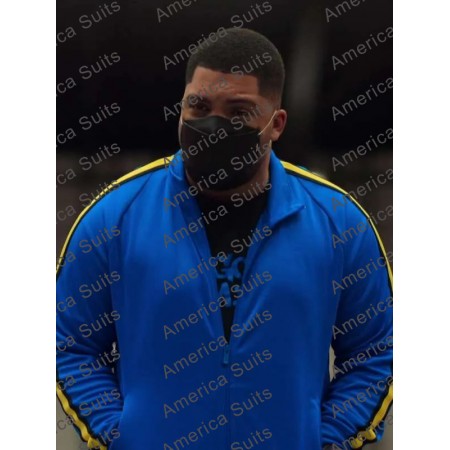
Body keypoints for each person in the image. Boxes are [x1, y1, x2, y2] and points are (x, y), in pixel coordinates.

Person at [56, 28, 393, 450]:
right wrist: (121, 436)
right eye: (199, 106)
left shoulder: (339, 223)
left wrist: (324, 440)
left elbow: (377, 353)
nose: (214, 126)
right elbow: (68, 347)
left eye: (238, 112)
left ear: (276, 124)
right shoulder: (115, 217)